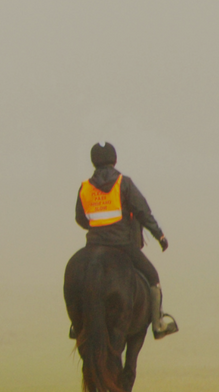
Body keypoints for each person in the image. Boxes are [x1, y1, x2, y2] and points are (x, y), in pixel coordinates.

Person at [73, 141, 175, 339]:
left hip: (93, 243)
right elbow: (143, 212)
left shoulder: (85, 187)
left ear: (93, 162)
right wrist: (159, 235)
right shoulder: (124, 183)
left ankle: (76, 324)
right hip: (122, 244)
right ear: (115, 160)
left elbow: (80, 218)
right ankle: (158, 325)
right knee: (153, 277)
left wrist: (97, 228)